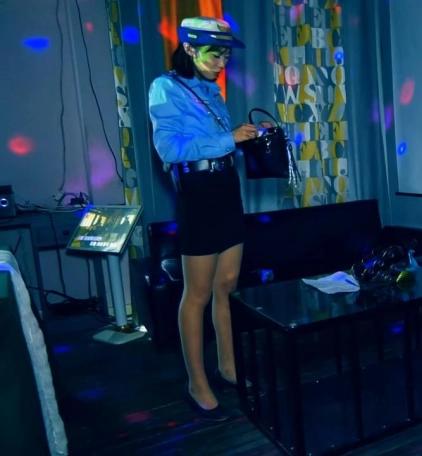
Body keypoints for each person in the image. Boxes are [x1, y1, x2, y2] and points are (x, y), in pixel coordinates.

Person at [148, 17, 270, 421]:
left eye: (226, 56)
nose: (221, 63)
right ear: (188, 48)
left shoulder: (212, 91)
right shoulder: (165, 87)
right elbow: (169, 149)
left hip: (226, 188)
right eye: (214, 54)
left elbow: (221, 143)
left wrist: (250, 136)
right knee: (197, 294)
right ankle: (197, 384)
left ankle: (228, 367)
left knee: (227, 286)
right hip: (197, 194)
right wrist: (228, 138)